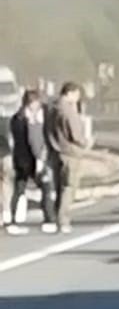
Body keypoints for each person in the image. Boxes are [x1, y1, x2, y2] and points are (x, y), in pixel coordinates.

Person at [8, 90, 57, 235]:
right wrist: (40, 159)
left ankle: (13, 221)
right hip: (31, 160)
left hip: (23, 160)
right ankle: (49, 219)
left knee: (19, 190)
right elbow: (33, 141)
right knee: (45, 188)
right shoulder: (27, 120)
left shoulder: (18, 118)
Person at [46, 82, 91, 233]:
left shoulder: (51, 110)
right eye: (77, 95)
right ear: (70, 93)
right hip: (70, 153)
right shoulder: (69, 111)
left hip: (55, 152)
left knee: (59, 186)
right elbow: (76, 135)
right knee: (69, 187)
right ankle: (63, 219)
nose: (78, 99)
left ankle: (56, 217)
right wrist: (85, 142)